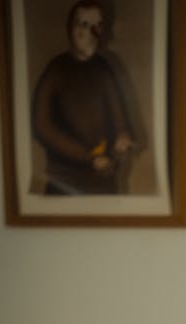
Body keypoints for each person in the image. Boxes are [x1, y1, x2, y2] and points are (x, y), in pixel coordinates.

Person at [32, 0, 135, 195]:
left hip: (104, 181)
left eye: (98, 26)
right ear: (70, 29)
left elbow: (119, 118)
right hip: (65, 183)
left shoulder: (104, 69)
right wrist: (88, 158)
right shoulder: (56, 70)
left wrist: (123, 134)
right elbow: (42, 128)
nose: (92, 33)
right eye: (84, 25)